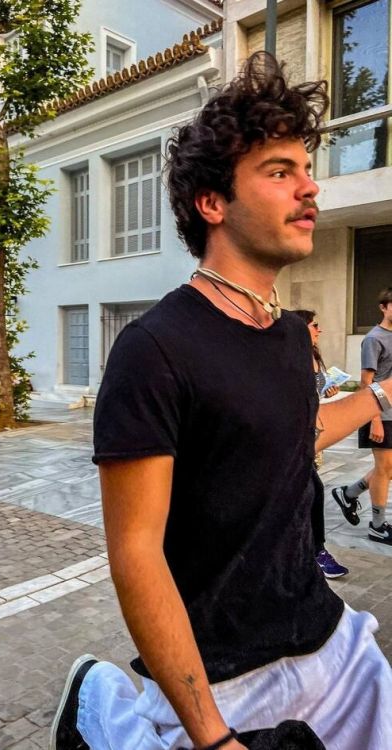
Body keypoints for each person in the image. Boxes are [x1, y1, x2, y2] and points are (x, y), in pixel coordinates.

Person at [50, 53, 392, 750]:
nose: (311, 188)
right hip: (225, 674)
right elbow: (136, 553)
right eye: (280, 171)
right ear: (212, 203)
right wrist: (211, 736)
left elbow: (289, 436)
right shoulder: (154, 349)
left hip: (330, 634)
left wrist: (382, 393)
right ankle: (104, 709)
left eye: (307, 169)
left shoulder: (290, 335)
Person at [332, 287, 392, 545]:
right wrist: (374, 418)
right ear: (383, 307)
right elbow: (366, 382)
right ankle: (378, 526)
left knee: (388, 469)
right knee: (384, 468)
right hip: (381, 413)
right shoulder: (373, 339)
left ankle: (348, 493)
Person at [291, 309, 348, 578]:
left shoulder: (313, 355)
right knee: (313, 491)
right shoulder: (290, 356)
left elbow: (314, 394)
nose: (319, 330)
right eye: (315, 325)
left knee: (308, 492)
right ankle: (317, 552)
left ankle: (308, 552)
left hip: (313, 435)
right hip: (294, 437)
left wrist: (328, 391)